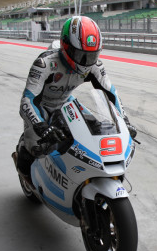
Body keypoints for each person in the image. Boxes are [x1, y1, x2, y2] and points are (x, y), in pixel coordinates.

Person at [13, 16, 136, 184]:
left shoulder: (95, 66)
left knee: (97, 129)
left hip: (66, 103)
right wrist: (41, 127)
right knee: (36, 148)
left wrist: (125, 121)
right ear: (66, 46)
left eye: (91, 56)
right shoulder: (44, 64)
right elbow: (27, 100)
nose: (86, 62)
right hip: (41, 107)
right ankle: (24, 162)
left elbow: (111, 93)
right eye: (80, 54)